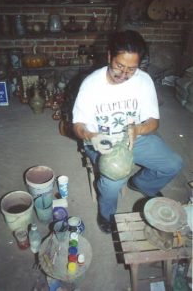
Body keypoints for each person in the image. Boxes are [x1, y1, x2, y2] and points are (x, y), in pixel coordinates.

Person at [72, 30, 183, 234]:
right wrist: (91, 136)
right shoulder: (91, 85)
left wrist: (138, 129)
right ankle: (106, 214)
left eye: (131, 69)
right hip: (102, 141)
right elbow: (78, 125)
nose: (123, 75)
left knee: (173, 164)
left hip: (134, 137)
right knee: (114, 181)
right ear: (109, 56)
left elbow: (153, 122)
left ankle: (141, 184)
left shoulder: (143, 81)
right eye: (119, 66)